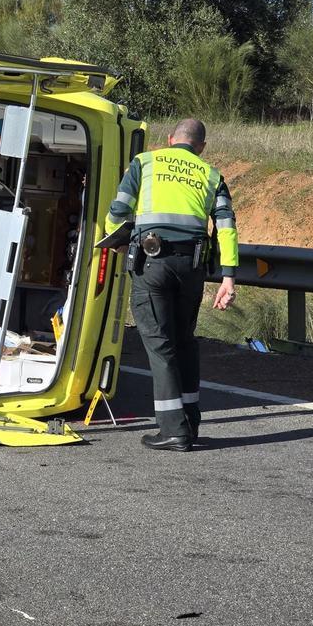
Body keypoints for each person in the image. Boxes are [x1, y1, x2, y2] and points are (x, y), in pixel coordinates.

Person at [105, 118, 238, 452]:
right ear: (201, 147)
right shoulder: (211, 174)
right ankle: (190, 423)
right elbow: (226, 226)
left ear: (169, 140)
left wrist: (119, 242)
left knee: (159, 345)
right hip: (192, 268)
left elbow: (117, 211)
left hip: (152, 263)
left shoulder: (145, 162)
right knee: (184, 343)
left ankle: (172, 429)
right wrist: (228, 277)